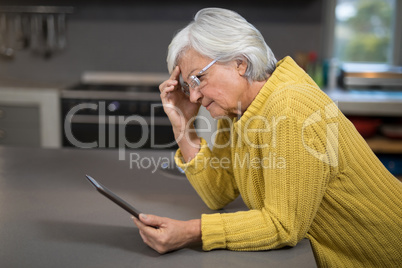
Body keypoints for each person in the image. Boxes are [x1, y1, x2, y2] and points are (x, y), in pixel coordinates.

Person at [132, 7, 402, 267]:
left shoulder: (290, 108)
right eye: (188, 85)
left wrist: (191, 232)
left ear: (239, 63)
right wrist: (182, 125)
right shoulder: (239, 111)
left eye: (198, 79)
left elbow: (282, 226)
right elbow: (218, 193)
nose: (193, 96)